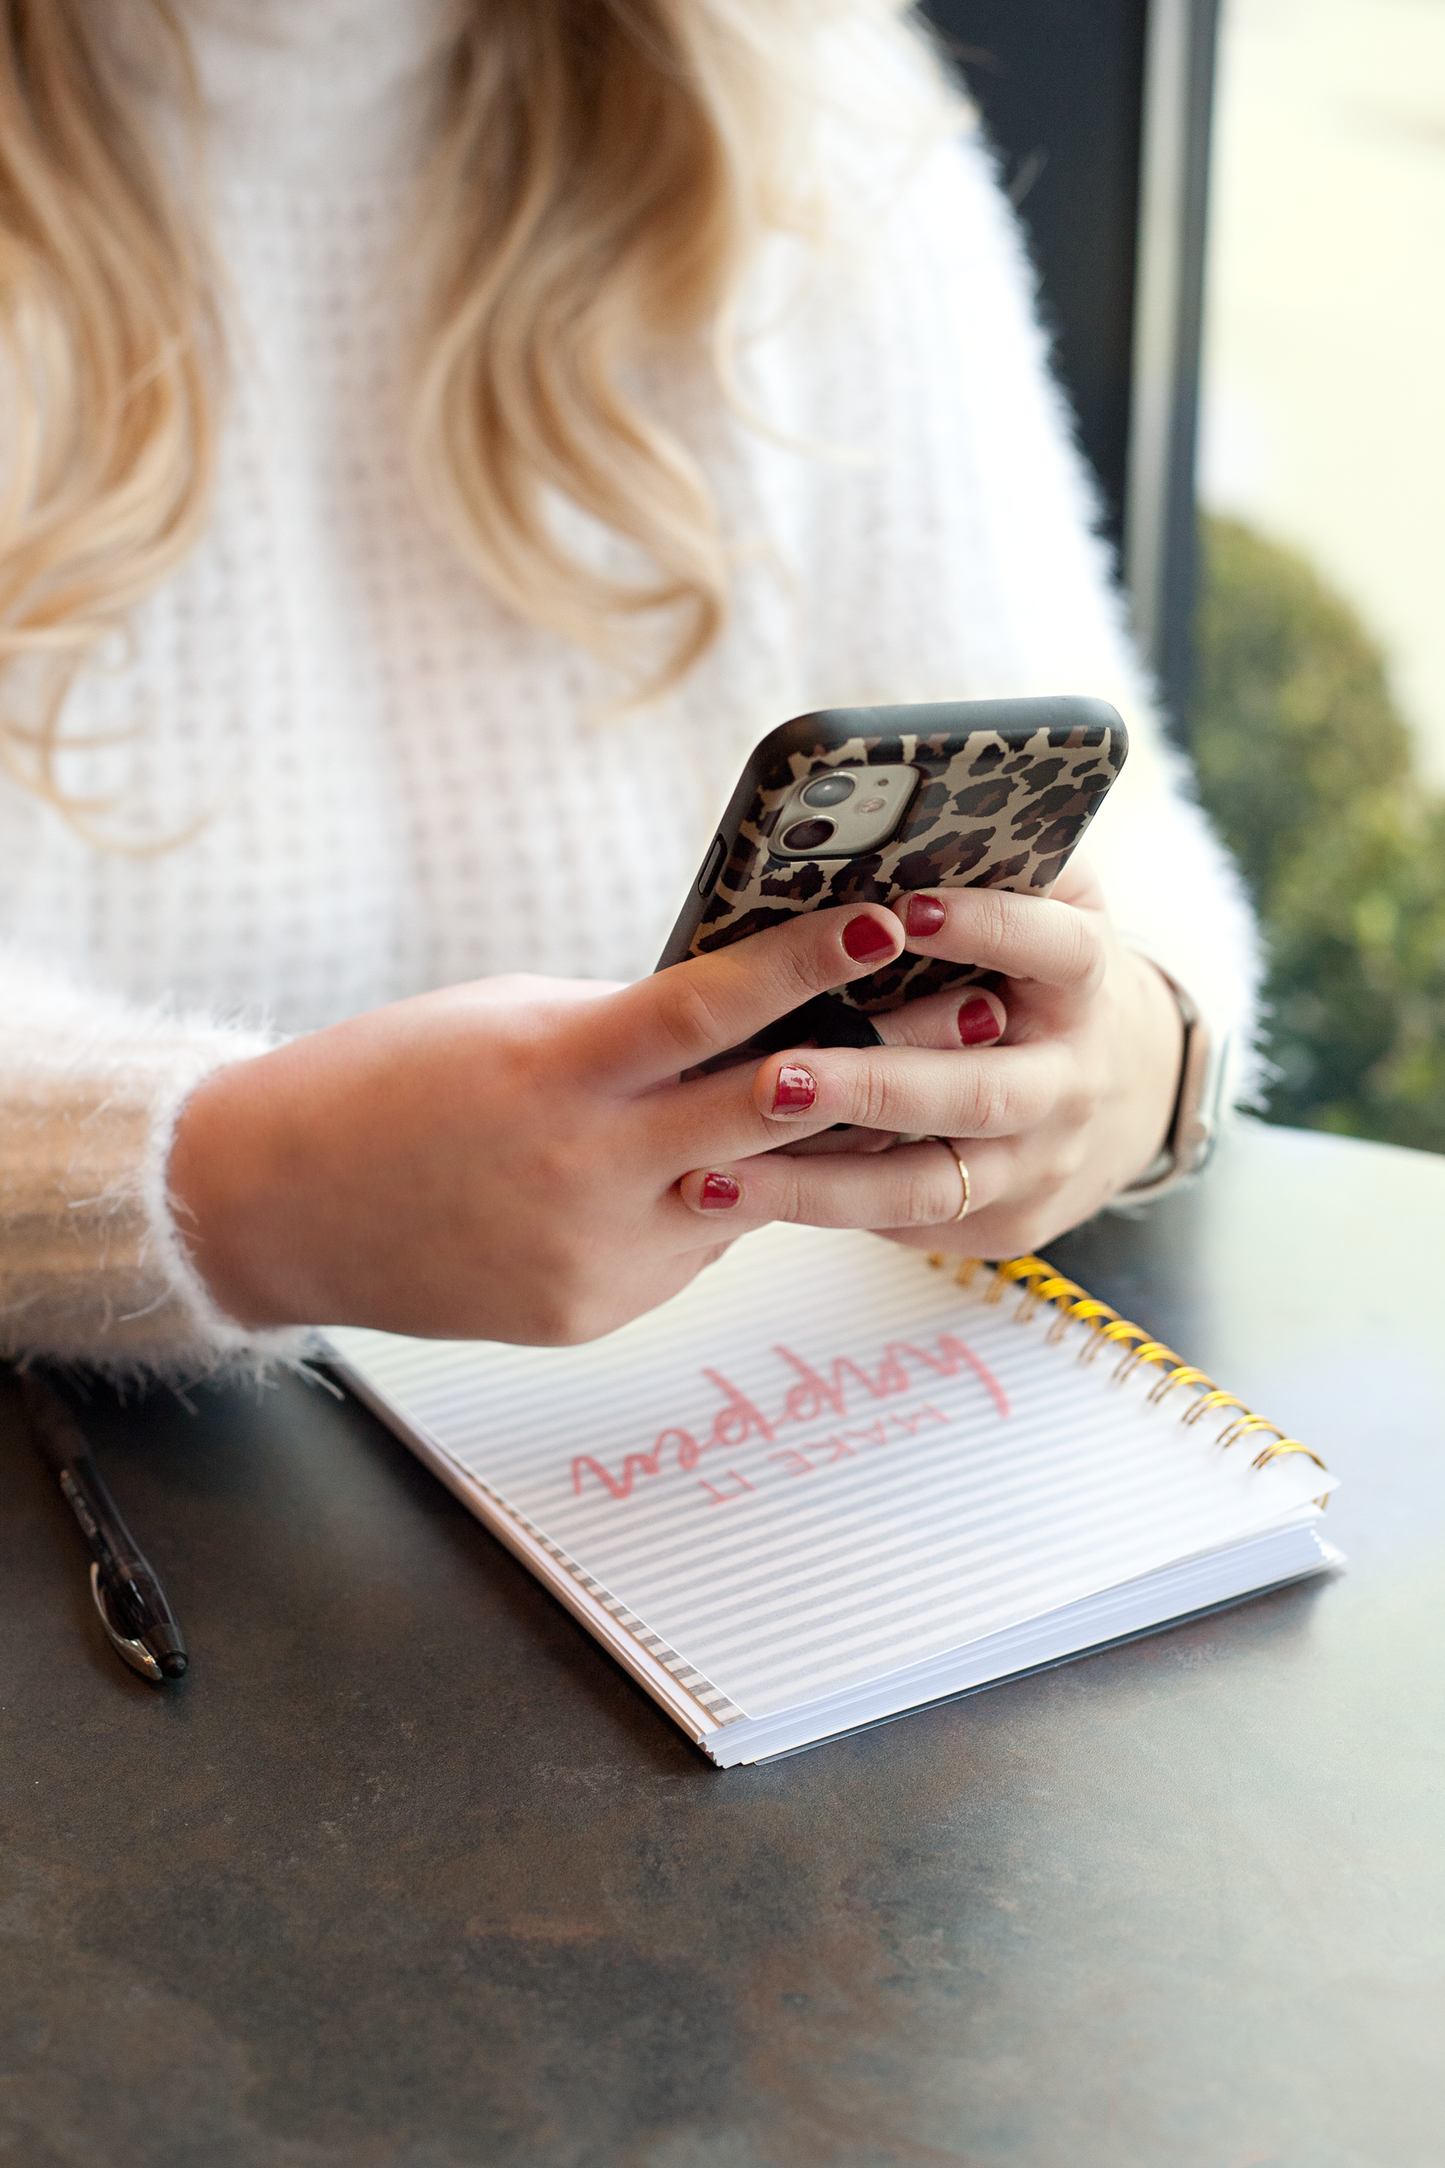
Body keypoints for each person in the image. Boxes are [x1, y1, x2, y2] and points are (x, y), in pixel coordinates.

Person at [0, 0, 1256, 1382]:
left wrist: (1135, 1056)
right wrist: (237, 1188)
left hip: (733, 1450)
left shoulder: (804, 92)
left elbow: (1114, 824)